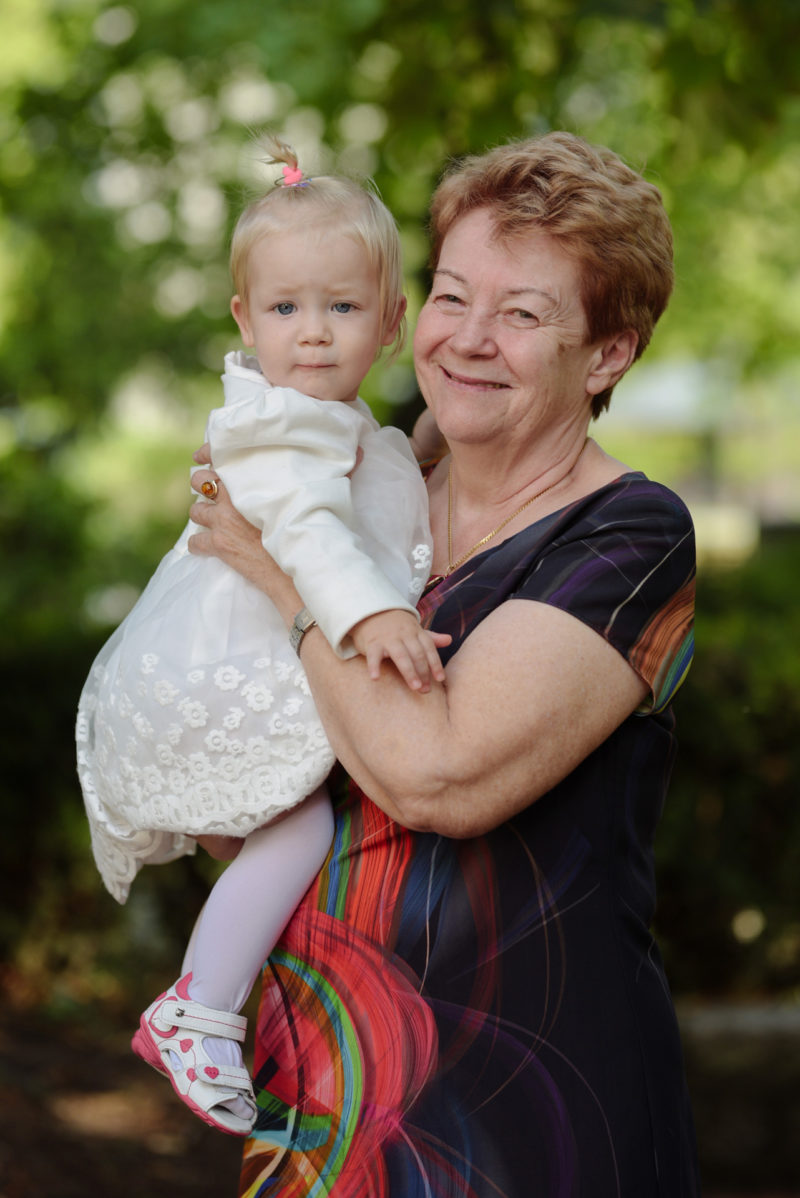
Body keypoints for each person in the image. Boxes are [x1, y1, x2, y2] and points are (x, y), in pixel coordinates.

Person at [187, 130, 700, 1194]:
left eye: (522, 315)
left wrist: (284, 582)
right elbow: (248, 803)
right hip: (323, 1088)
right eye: (452, 295)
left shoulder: (628, 536)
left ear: (608, 354)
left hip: (530, 1112)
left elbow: (437, 776)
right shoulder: (359, 492)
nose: (468, 338)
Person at [75, 137, 451, 1137]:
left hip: (241, 664)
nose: (313, 333)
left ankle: (241, 1000)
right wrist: (375, 614)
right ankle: (197, 1009)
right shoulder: (282, 426)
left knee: (284, 847)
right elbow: (309, 529)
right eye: (285, 309)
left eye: (342, 308)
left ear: (390, 322)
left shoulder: (336, 422)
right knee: (302, 832)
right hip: (220, 670)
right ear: (244, 319)